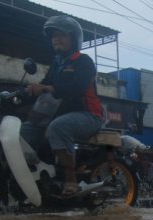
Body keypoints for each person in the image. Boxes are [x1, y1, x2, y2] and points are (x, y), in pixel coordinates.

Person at [26, 15, 103, 196]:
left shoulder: (83, 61)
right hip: (61, 115)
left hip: (89, 115)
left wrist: (47, 88)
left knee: (58, 127)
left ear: (74, 39)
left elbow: (76, 87)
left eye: (62, 35)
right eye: (54, 36)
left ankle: (71, 181)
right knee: (24, 131)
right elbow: (45, 85)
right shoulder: (57, 64)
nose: (57, 39)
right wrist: (29, 91)